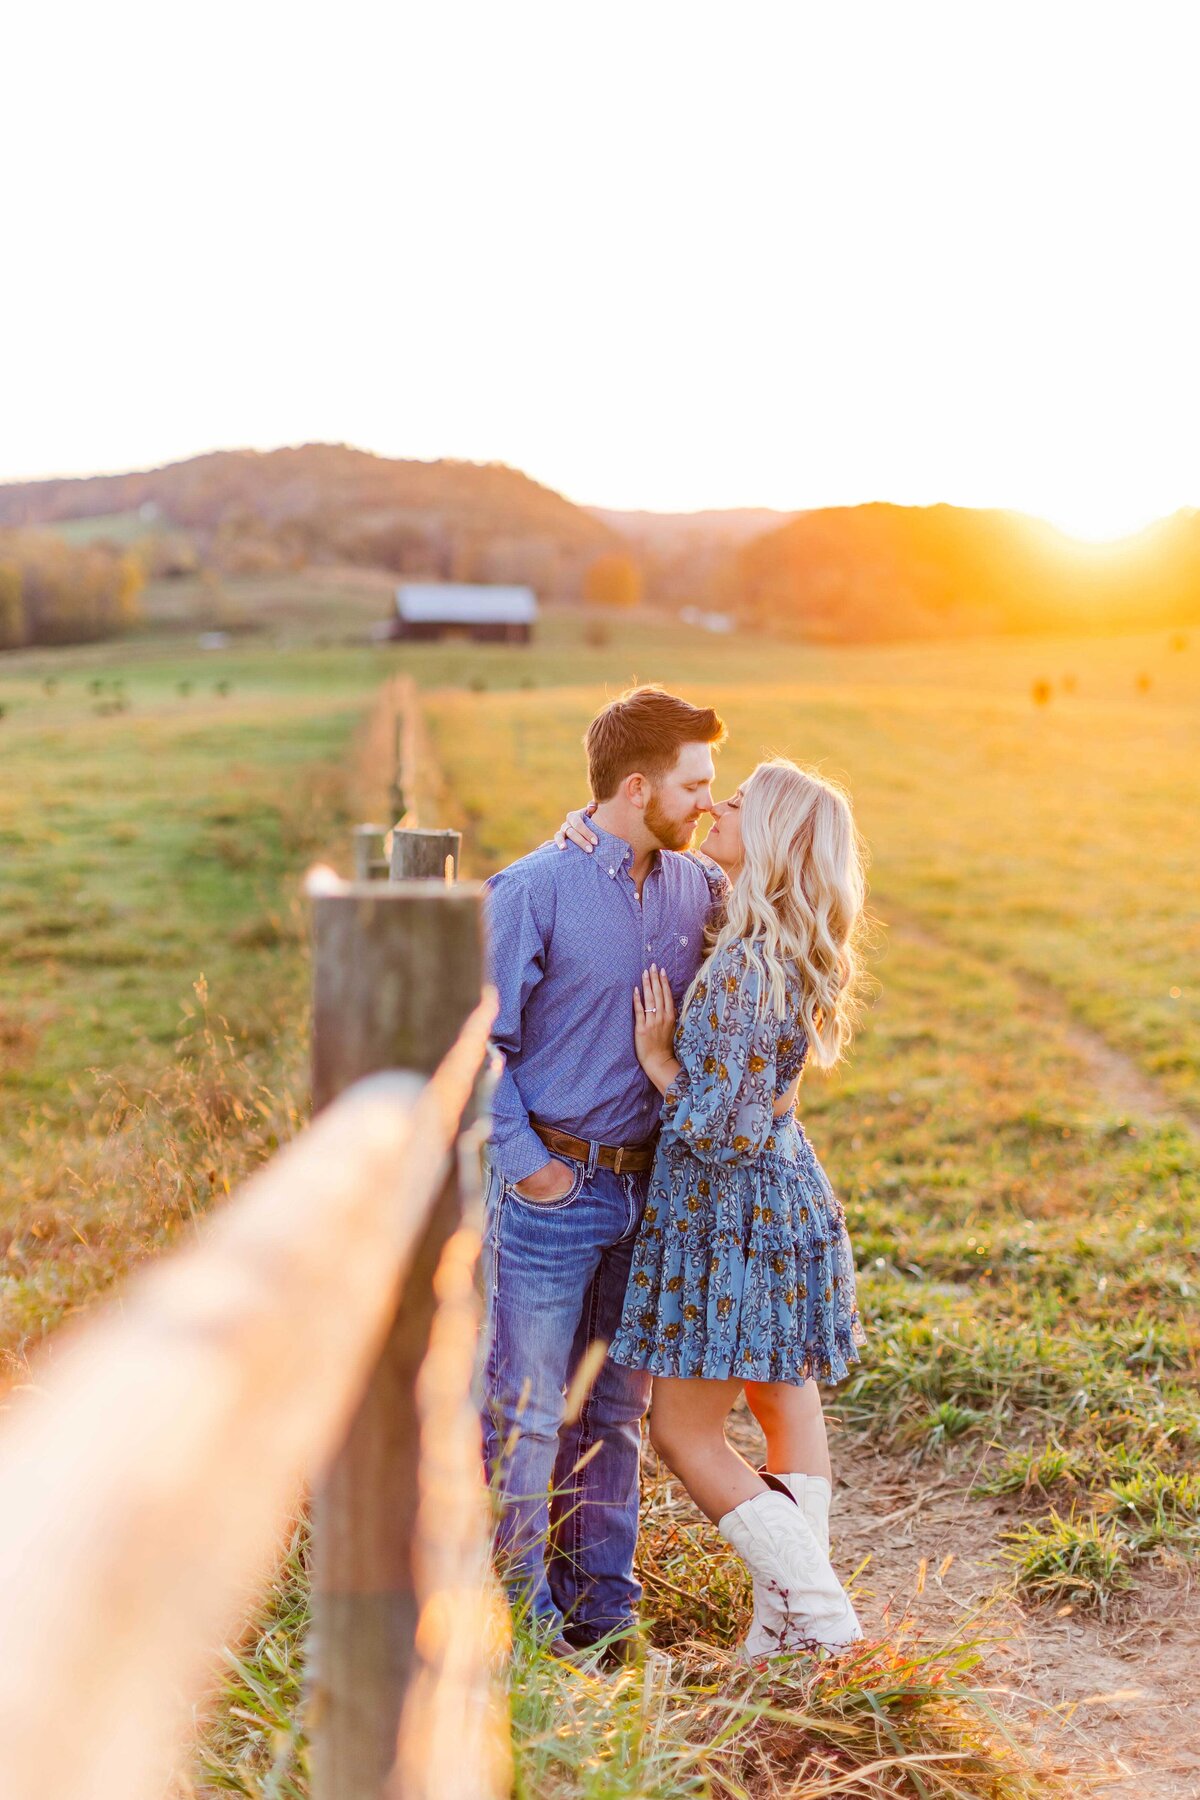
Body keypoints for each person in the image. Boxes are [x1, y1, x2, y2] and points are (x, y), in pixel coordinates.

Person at [566, 759, 868, 1657]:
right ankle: (785, 1627)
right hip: (780, 1202)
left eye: (737, 804)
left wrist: (660, 1062)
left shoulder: (741, 968)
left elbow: (723, 1130)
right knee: (783, 1402)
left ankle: (820, 1612)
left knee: (682, 1430)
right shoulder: (777, 942)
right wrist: (579, 830)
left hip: (728, 1214)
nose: (717, 808)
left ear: (771, 835)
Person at [481, 685, 728, 1661]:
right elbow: (477, 1046)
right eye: (696, 785)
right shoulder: (530, 891)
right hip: (556, 1194)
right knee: (528, 1411)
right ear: (638, 787)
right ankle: (520, 1623)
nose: (708, 804)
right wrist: (531, 1169)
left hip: (647, 1193)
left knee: (613, 1414)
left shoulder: (694, 887)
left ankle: (603, 1617)